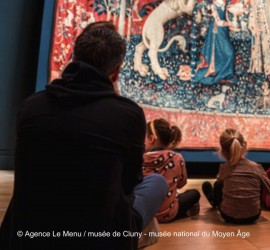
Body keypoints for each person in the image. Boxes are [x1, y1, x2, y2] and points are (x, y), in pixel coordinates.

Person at [0, 21, 168, 250]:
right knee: (156, 182)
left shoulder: (31, 106)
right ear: (116, 72)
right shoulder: (128, 115)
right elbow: (130, 183)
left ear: (74, 56)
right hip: (98, 238)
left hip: (28, 233)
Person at [202, 128, 270, 224]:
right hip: (253, 216)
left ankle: (215, 202)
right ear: (244, 145)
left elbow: (220, 184)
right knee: (258, 183)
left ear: (223, 152)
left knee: (218, 184)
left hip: (228, 216)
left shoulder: (224, 168)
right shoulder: (256, 167)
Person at [143, 119, 201, 223]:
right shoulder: (177, 158)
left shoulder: (140, 158)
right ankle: (185, 212)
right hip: (167, 214)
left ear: (151, 139)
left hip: (144, 213)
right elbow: (181, 184)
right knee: (194, 193)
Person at [192, 0, 237, 85]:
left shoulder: (224, 4)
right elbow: (218, 21)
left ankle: (226, 75)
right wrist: (229, 24)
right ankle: (222, 73)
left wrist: (233, 26)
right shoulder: (213, 6)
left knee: (221, 53)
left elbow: (226, 17)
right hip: (217, 31)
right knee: (229, 52)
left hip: (224, 31)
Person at [247, 0, 270, 75]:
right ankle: (259, 65)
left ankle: (269, 65)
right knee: (258, 42)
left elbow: (268, 10)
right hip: (256, 20)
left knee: (267, 40)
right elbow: (252, 9)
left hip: (265, 21)